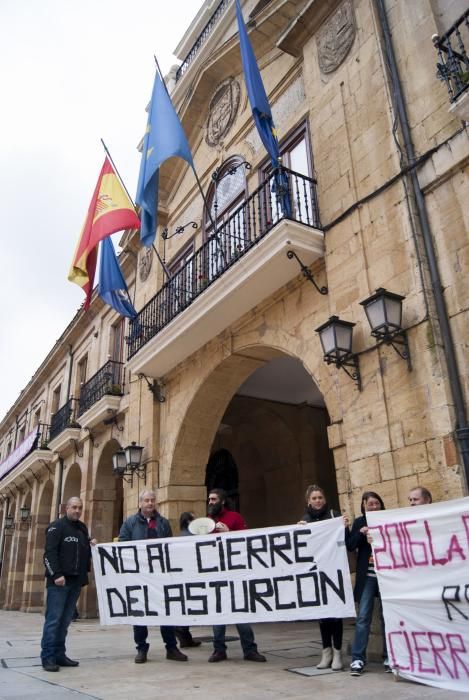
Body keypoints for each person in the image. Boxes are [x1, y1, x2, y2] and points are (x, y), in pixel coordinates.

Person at [118, 489, 187, 664]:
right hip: (139, 576)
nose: (150, 503)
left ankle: (171, 647)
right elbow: (123, 545)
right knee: (140, 612)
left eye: (152, 500)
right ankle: (141, 648)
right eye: (147, 500)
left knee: (166, 611)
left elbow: (169, 546)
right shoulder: (130, 523)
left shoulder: (163, 523)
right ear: (140, 503)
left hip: (160, 575)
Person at [206, 488, 267, 663]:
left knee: (240, 610)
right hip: (215, 572)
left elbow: (247, 541)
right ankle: (219, 650)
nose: (210, 502)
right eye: (209, 499)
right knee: (218, 611)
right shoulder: (206, 522)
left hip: (235, 572)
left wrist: (229, 534)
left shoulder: (235, 518)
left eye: (213, 499)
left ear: (222, 501)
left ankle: (249, 649)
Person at [41, 496, 95, 672]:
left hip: (75, 582)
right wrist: (56, 574)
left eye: (79, 507)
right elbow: (49, 554)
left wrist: (91, 545)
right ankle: (47, 656)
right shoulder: (56, 527)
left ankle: (59, 654)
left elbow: (84, 553)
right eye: (74, 507)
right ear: (66, 508)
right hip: (59, 582)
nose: (77, 510)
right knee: (53, 620)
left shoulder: (82, 528)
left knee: (65, 621)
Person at [298, 485, 349, 671]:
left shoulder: (334, 516)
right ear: (308, 501)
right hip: (317, 572)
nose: (318, 500)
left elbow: (347, 542)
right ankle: (326, 652)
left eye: (320, 497)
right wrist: (298, 532)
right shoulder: (305, 520)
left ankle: (337, 653)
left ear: (324, 499)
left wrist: (345, 527)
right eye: (314, 498)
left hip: (334, 570)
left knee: (336, 614)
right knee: (323, 615)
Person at [347, 491, 390, 677]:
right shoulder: (359, 522)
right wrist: (360, 533)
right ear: (363, 506)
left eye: (376, 503)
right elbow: (350, 545)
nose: (373, 507)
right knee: (363, 617)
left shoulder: (388, 519)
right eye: (370, 504)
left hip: (386, 576)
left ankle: (389, 656)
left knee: (387, 617)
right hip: (368, 577)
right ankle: (358, 658)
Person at [174, 512, 202, 649]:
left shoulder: (181, 536)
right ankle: (182, 630)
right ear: (189, 521)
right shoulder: (191, 536)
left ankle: (184, 635)